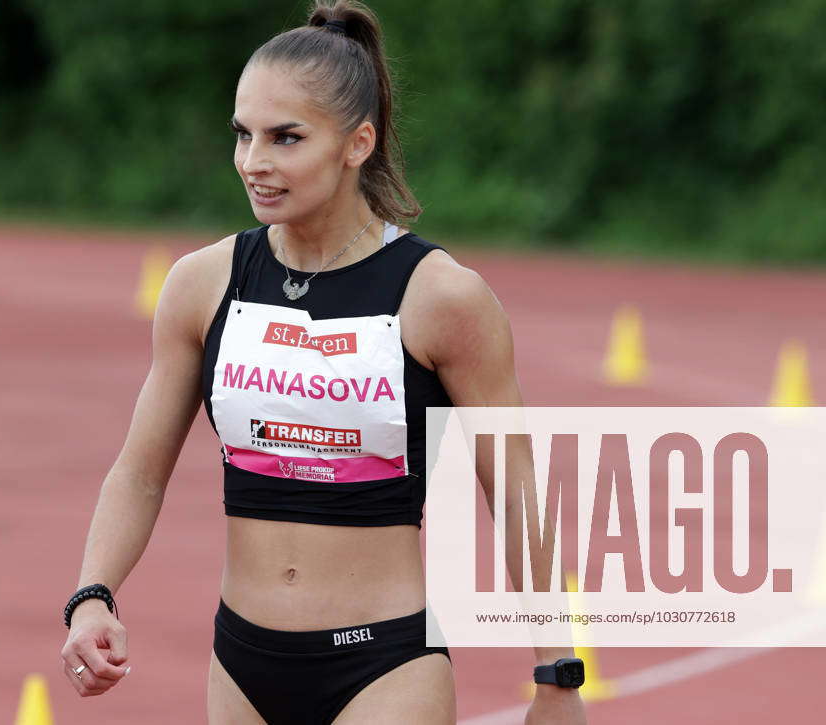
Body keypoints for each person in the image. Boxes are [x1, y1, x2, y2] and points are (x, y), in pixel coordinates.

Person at [60, 2, 588, 723]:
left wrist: (557, 673)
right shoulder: (202, 283)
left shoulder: (442, 298)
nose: (254, 161)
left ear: (356, 143)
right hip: (241, 664)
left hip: (383, 667)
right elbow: (139, 470)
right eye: (243, 135)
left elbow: (516, 489)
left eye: (286, 138)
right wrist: (94, 593)